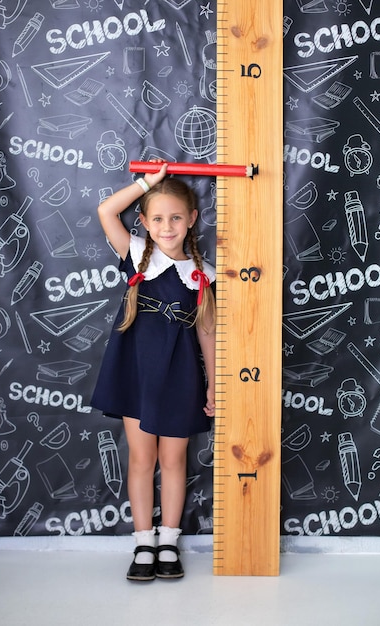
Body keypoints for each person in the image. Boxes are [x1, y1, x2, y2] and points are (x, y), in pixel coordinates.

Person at [91, 161, 216, 582]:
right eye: (157, 218)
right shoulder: (137, 256)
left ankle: (168, 541)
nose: (167, 227)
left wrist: (214, 386)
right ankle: (143, 543)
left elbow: (207, 335)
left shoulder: (203, 276)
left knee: (174, 459)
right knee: (142, 459)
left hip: (180, 374)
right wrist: (149, 181)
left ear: (192, 220)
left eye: (176, 218)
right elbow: (107, 211)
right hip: (136, 371)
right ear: (144, 222)